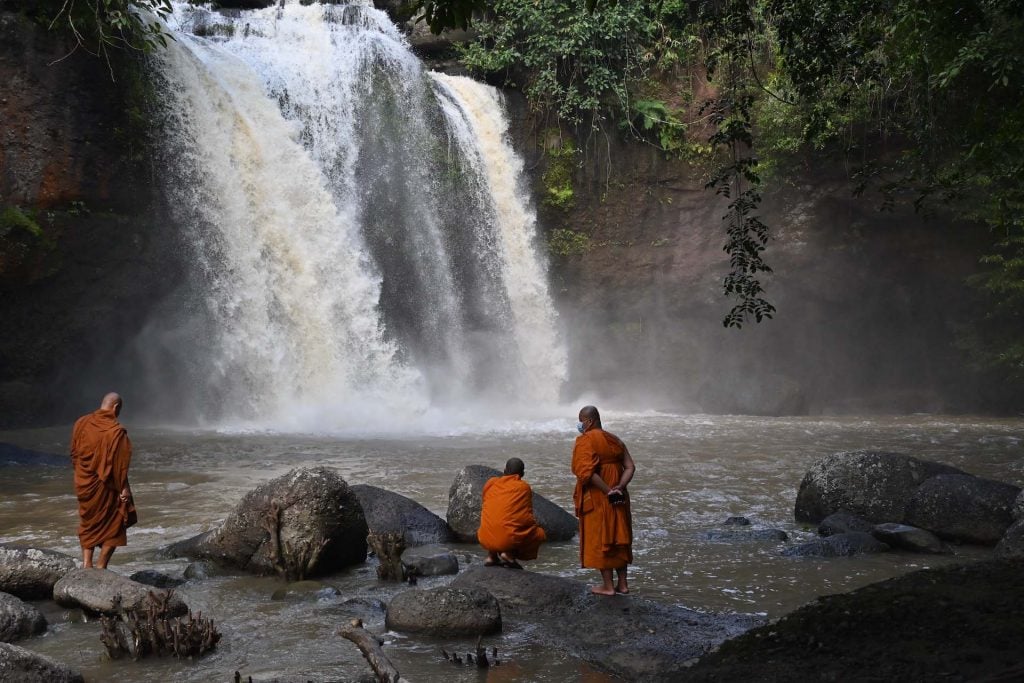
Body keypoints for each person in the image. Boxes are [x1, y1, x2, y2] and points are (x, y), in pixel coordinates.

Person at [572, 405, 635, 595]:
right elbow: (630, 467)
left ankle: (608, 586)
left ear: (589, 421)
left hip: (599, 497)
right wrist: (619, 488)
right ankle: (623, 584)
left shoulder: (585, 441)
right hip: (619, 497)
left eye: (581, 420)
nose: (580, 424)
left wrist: (608, 491)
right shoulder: (615, 440)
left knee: (602, 538)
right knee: (620, 536)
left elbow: (587, 473)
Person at [70, 392, 135, 569]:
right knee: (117, 522)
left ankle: (86, 564)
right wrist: (124, 488)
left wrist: (82, 474)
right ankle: (101, 566)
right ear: (116, 407)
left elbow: (74, 455)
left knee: (88, 522)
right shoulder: (116, 431)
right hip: (107, 486)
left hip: (84, 483)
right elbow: (119, 466)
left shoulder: (81, 423)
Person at [477, 457, 547, 569]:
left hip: (484, 537)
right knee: (538, 533)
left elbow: (487, 505)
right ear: (522, 473)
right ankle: (508, 554)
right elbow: (526, 516)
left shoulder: (491, 483)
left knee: (494, 519)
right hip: (507, 539)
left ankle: (491, 556)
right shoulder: (523, 487)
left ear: (504, 470)